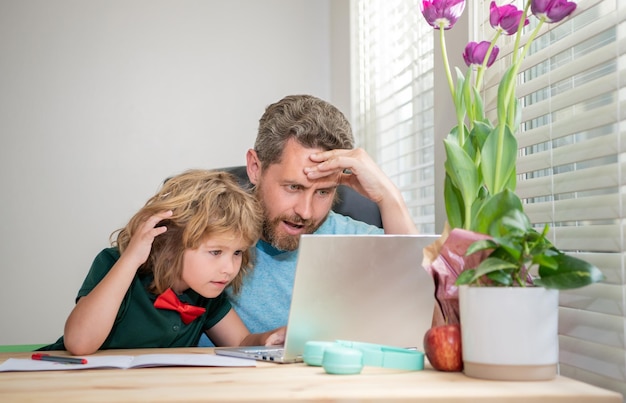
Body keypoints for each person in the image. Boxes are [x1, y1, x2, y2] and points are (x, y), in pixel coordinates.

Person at [225, 94, 418, 337]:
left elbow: (423, 298)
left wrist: (388, 197)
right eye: (293, 187)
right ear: (255, 168)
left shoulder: (355, 241)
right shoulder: (210, 234)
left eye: (323, 192)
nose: (305, 212)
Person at [40, 169, 285, 355]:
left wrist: (267, 339)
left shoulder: (206, 291)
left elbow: (240, 343)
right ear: (172, 241)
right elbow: (79, 343)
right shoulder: (114, 263)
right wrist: (131, 260)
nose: (229, 268)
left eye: (237, 252)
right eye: (215, 252)